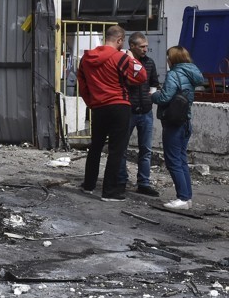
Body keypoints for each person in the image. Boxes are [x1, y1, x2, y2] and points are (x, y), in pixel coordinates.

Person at [77, 24, 147, 202]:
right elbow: (141, 76)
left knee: (95, 147)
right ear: (120, 40)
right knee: (116, 149)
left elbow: (82, 85)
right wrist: (133, 58)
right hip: (119, 105)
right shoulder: (119, 58)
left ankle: (89, 185)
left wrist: (92, 103)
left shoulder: (86, 59)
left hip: (98, 107)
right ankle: (109, 191)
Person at [151, 46, 206, 211]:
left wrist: (153, 95)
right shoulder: (192, 73)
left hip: (173, 122)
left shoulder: (174, 73)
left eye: (168, 57)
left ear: (173, 59)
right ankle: (187, 198)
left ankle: (182, 198)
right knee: (181, 161)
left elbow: (166, 97)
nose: (167, 60)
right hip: (185, 120)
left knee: (173, 161)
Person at [119, 32, 160, 196]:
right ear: (132, 46)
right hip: (128, 111)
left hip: (146, 112)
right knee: (121, 148)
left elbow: (154, 83)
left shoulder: (149, 63)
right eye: (142, 46)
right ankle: (121, 180)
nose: (145, 49)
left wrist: (150, 97)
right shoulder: (124, 63)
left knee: (146, 150)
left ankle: (143, 183)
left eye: (146, 46)